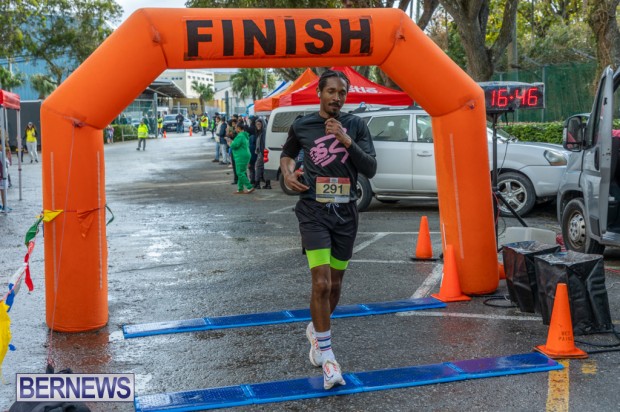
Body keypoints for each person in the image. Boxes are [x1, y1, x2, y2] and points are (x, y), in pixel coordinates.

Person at [280, 69, 377, 390]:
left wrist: (346, 140)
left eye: (342, 92)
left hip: (346, 212)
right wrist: (288, 174)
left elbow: (371, 168)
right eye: (331, 91)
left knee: (334, 285)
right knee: (320, 282)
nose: (337, 97)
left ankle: (316, 331)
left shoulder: (356, 125)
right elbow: (287, 154)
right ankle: (329, 357)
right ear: (319, 93)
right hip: (313, 210)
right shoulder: (302, 124)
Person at [227, 122, 255, 194]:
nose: (235, 129)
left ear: (239, 128)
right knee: (241, 172)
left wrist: (230, 143)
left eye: (236, 128)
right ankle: (240, 188)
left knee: (240, 173)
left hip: (240, 156)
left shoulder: (240, 136)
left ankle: (249, 187)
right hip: (245, 154)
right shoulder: (244, 135)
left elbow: (235, 145)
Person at [253, 118, 271, 189]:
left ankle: (257, 183)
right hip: (262, 153)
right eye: (257, 124)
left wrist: (263, 154)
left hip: (262, 153)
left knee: (258, 167)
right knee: (265, 168)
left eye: (259, 124)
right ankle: (267, 184)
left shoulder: (263, 132)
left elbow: (264, 143)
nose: (258, 126)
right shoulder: (260, 132)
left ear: (262, 124)